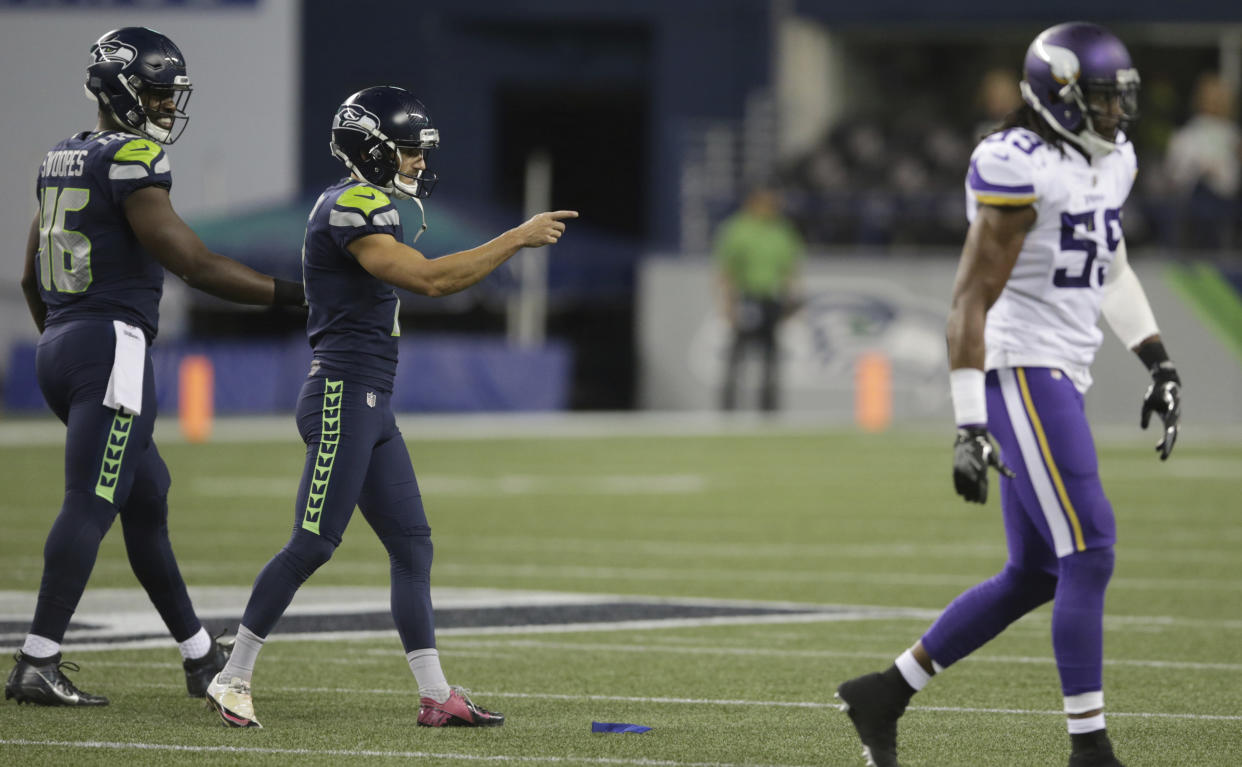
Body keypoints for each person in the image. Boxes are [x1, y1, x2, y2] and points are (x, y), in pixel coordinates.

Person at [835, 22, 1182, 767]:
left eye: (1120, 99)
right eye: (1100, 99)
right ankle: (1089, 748)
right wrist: (967, 424)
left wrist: (1157, 358)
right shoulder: (1016, 164)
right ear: (1059, 97)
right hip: (1020, 368)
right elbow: (968, 299)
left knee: (1038, 572)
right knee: (1090, 547)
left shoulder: (1111, 159)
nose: (1117, 114)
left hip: (1062, 370)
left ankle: (883, 693)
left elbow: (1112, 268)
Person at [203, 85, 576, 729]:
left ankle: (435, 694)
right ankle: (231, 675)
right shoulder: (351, 205)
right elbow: (431, 280)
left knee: (413, 546)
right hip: (342, 396)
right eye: (406, 150)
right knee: (314, 543)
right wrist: (514, 238)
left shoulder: (371, 204)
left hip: (370, 399)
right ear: (369, 149)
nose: (417, 163)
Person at [5, 27, 306, 707]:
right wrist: (295, 296)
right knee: (92, 499)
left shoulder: (63, 154)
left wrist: (64, 348)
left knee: (148, 495)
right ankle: (38, 657)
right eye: (158, 93)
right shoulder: (133, 161)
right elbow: (193, 263)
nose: (168, 106)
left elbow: (28, 276)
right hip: (110, 348)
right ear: (123, 91)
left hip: (64, 344)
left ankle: (201, 655)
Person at [715, 186, 804, 411]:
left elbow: (790, 267)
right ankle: (728, 407)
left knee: (771, 357)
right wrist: (728, 303)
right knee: (737, 356)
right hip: (747, 297)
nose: (771, 208)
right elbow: (727, 269)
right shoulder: (738, 229)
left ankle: (768, 408)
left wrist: (793, 298)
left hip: (771, 299)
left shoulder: (781, 230)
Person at [1164, 71, 1242, 249]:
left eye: (1220, 97)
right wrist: (1198, 168)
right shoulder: (1186, 135)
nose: (1215, 103)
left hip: (1226, 210)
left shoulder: (1233, 136)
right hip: (1191, 209)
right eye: (1210, 97)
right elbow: (1174, 176)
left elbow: (1231, 180)